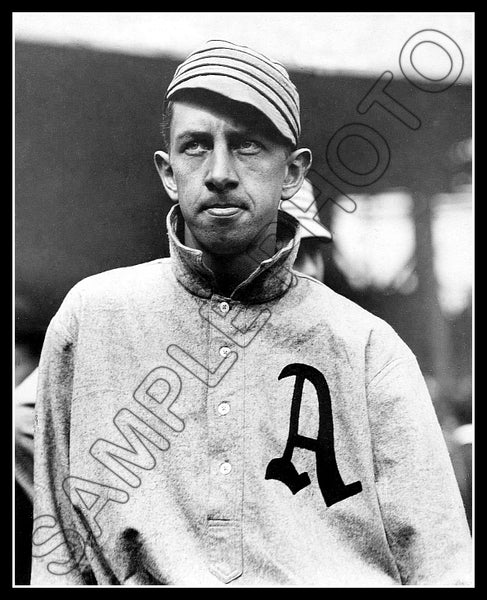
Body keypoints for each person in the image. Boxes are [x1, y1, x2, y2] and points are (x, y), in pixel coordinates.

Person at [31, 40, 472, 586]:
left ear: (292, 173)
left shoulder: (366, 349)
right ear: (168, 173)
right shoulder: (92, 321)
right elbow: (56, 563)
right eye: (195, 146)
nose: (219, 172)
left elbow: (445, 570)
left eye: (247, 146)